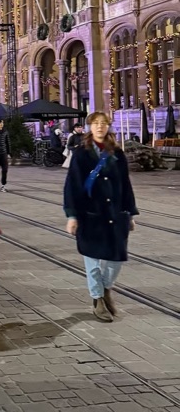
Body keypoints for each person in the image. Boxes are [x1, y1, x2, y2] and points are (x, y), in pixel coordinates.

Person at [64, 111, 138, 323]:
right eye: (95, 123)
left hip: (115, 214)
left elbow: (125, 184)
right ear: (89, 127)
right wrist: (72, 216)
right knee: (93, 261)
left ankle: (106, 289)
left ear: (108, 126)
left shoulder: (117, 153)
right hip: (90, 215)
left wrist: (130, 212)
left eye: (103, 123)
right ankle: (97, 299)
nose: (99, 127)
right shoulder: (81, 154)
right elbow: (72, 186)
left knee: (116, 258)